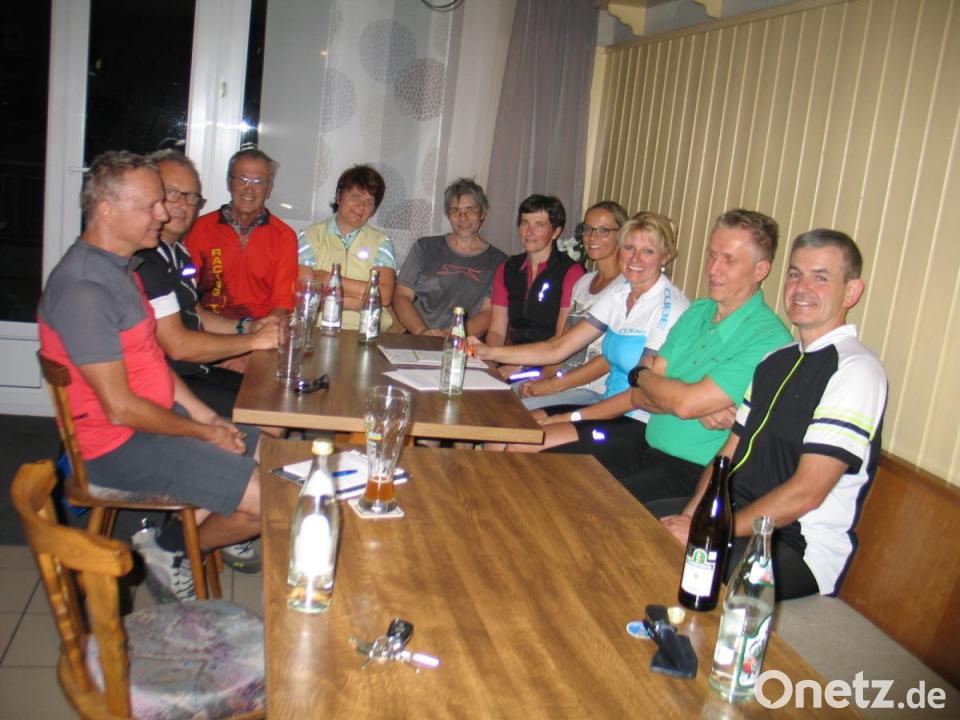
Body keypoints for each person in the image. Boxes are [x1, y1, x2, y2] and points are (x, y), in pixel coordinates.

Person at [37, 151, 262, 601]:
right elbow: (120, 409)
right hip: (117, 447)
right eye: (152, 204)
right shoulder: (85, 289)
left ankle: (171, 541)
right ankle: (174, 550)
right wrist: (203, 433)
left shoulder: (122, 268)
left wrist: (206, 417)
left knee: (268, 450)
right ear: (106, 210)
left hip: (154, 422)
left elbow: (152, 361)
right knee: (268, 501)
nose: (164, 214)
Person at [661, 230, 887, 600]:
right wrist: (693, 517)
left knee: (666, 566)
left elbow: (806, 493)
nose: (802, 287)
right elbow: (727, 455)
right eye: (795, 274)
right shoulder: (775, 360)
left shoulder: (855, 371)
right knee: (629, 527)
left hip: (793, 545)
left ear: (851, 292)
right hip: (734, 519)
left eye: (820, 277)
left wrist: (711, 529)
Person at [547, 209, 793, 495]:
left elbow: (682, 403)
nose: (713, 269)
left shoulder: (768, 340)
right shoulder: (698, 311)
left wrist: (649, 379)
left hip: (695, 471)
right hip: (647, 448)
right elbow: (640, 395)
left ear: (760, 270)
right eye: (712, 255)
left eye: (729, 260)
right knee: (550, 473)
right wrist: (674, 395)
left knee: (590, 503)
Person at [472, 212, 689, 456]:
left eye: (647, 251)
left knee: (521, 443)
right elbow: (559, 348)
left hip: (636, 419)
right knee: (502, 429)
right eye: (629, 247)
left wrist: (571, 416)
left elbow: (640, 395)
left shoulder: (669, 309)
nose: (635, 258)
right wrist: (489, 352)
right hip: (603, 403)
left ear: (665, 256)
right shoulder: (621, 292)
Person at [134, 150, 277, 420]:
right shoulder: (145, 260)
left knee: (274, 398)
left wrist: (247, 326)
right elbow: (178, 346)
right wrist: (253, 341)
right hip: (165, 382)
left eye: (191, 197)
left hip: (193, 370)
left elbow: (196, 313)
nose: (183, 205)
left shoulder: (177, 252)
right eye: (172, 193)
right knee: (269, 415)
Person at [517, 200, 628, 409]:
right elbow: (562, 346)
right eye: (587, 229)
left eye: (603, 230)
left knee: (519, 412)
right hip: (563, 381)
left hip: (594, 391)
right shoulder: (583, 283)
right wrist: (540, 379)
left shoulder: (626, 288)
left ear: (621, 235)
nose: (593, 237)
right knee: (500, 400)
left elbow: (609, 359)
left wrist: (554, 385)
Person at [184, 147, 297, 319]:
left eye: (258, 182)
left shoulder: (284, 236)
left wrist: (263, 330)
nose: (249, 189)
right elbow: (187, 292)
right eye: (242, 179)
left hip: (260, 326)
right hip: (210, 324)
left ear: (269, 189)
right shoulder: (200, 229)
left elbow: (282, 304)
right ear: (229, 183)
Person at [393, 178, 507, 337]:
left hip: (465, 342)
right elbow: (401, 296)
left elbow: (488, 313)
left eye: (470, 210)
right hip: (418, 336)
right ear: (448, 215)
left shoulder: (499, 261)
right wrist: (422, 332)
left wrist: (452, 336)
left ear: (482, 213)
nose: (462, 217)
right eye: (455, 211)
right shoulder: (425, 247)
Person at [487, 195, 586, 377]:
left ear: (555, 232)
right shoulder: (507, 269)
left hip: (551, 366)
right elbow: (496, 332)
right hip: (511, 360)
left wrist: (520, 366)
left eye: (539, 225)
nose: (529, 232)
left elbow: (561, 338)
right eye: (525, 223)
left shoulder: (571, 272)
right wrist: (491, 365)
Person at [297, 164, 397, 332]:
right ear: (339, 197)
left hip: (368, 331)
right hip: (317, 330)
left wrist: (328, 278)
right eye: (356, 197)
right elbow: (306, 298)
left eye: (369, 202)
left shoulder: (382, 242)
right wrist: (360, 303)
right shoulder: (309, 237)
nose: (361, 206)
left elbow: (385, 295)